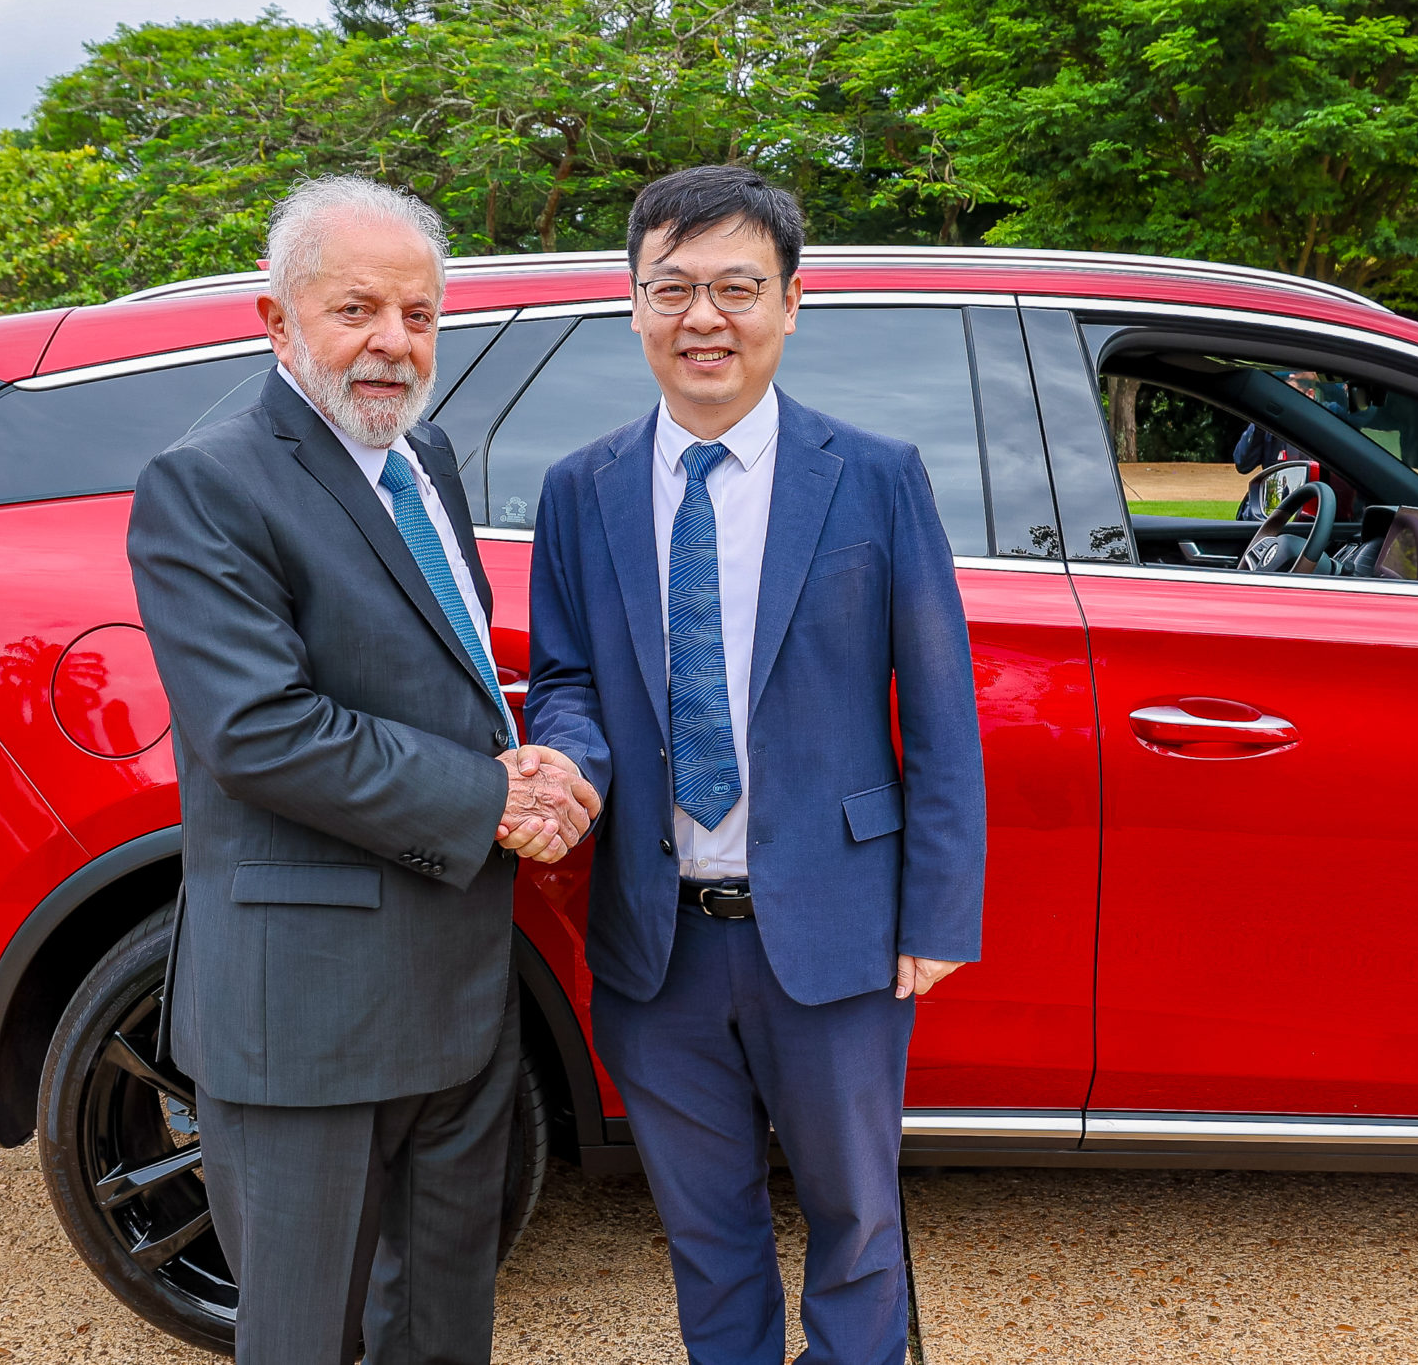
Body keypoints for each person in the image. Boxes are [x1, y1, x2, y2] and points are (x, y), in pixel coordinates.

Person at [128, 176, 600, 1365]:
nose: (394, 343)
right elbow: (262, 730)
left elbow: (431, 666)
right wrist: (492, 796)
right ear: (277, 321)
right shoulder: (209, 480)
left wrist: (523, 754)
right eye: (356, 310)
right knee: (302, 1338)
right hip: (307, 1017)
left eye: (420, 315)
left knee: (443, 1324)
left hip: (456, 990)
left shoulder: (419, 451)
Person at [524, 164, 985, 1365]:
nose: (703, 318)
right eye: (670, 288)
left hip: (835, 930)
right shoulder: (582, 491)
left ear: (790, 302)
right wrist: (566, 766)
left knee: (856, 1222)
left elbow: (937, 709)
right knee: (705, 1229)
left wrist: (935, 911)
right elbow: (570, 681)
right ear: (633, 306)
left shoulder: (874, 476)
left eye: (736, 286)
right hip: (655, 938)